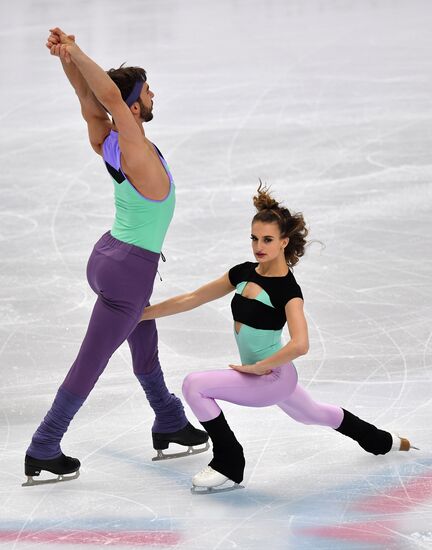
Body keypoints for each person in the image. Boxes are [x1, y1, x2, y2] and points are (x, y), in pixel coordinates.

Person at [23, 28, 208, 487]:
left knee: (142, 331)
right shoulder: (132, 145)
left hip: (109, 257)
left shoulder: (110, 142)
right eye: (145, 91)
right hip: (129, 270)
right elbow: (105, 94)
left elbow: (91, 102)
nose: (153, 94)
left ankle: (168, 419)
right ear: (131, 105)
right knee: (93, 359)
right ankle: (44, 445)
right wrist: (77, 53)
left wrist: (67, 58)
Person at [141, 184, 415, 493]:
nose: (259, 246)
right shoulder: (243, 273)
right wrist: (140, 315)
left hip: (272, 375)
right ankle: (383, 440)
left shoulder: (288, 290)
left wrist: (261, 367)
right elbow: (192, 298)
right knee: (313, 414)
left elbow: (301, 344)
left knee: (195, 385)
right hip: (266, 374)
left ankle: (229, 461)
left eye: (268, 240)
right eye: (254, 238)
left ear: (284, 242)